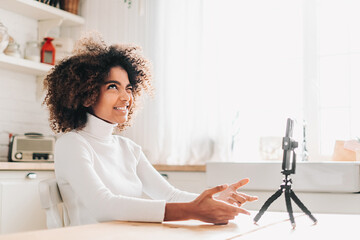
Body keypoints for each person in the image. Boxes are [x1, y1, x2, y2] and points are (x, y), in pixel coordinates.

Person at [43, 32, 258, 226]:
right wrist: (192, 211)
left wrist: (213, 200)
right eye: (112, 87)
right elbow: (103, 207)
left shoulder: (128, 149)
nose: (126, 97)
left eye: (128, 88)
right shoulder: (72, 145)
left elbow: (169, 195)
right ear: (85, 94)